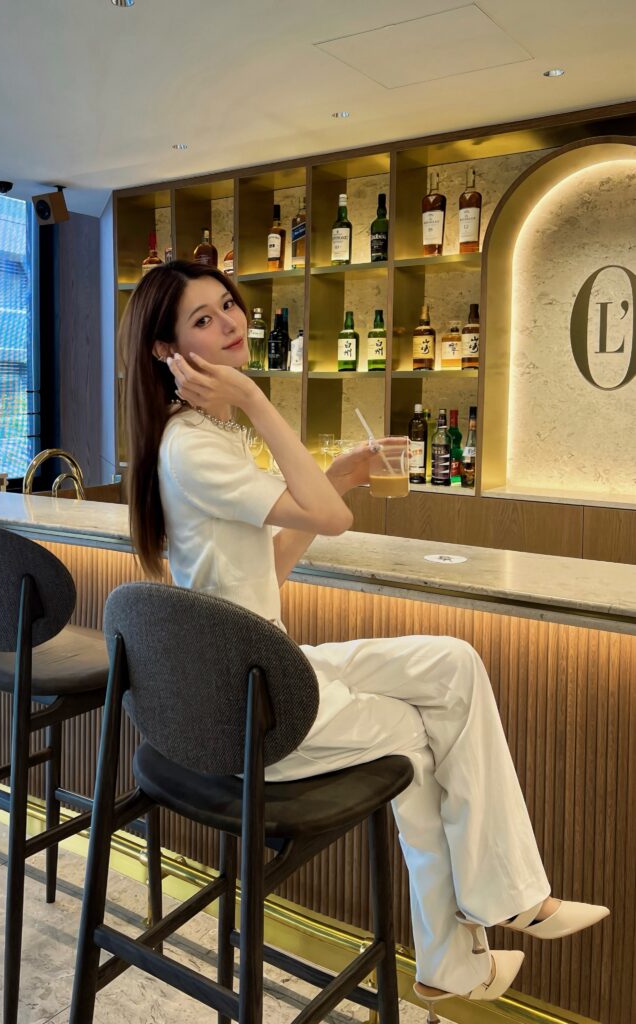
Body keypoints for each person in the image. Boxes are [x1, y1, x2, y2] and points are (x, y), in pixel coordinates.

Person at [121, 259, 609, 1019]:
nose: (231, 324)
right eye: (203, 320)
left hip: (259, 672)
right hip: (252, 708)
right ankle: (458, 949)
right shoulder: (196, 445)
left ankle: (504, 905)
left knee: (452, 663)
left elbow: (270, 566)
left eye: (229, 306)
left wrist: (341, 473)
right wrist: (256, 399)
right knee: (416, 737)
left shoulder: (201, 440)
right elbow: (333, 520)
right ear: (166, 351)